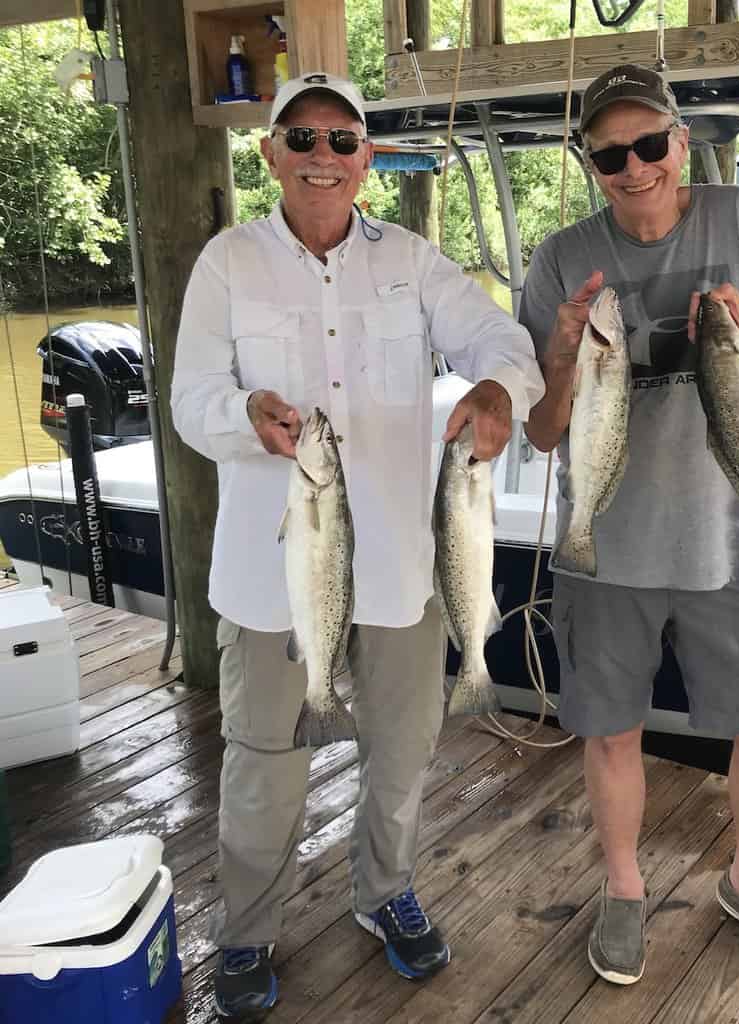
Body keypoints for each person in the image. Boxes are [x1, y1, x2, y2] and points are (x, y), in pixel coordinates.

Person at [172, 71, 544, 1020]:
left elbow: (500, 339)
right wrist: (241, 413)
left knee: (405, 753)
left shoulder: (415, 263)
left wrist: (500, 392)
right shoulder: (227, 263)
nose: (323, 157)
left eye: (343, 141)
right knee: (262, 761)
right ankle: (247, 932)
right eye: (301, 140)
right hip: (271, 580)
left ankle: (384, 893)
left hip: (402, 576)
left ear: (368, 159)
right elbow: (189, 399)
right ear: (271, 156)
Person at [519, 64, 739, 985]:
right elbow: (539, 428)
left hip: (732, 534)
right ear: (590, 162)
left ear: (680, 142)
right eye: (611, 153)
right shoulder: (562, 258)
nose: (634, 165)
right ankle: (621, 890)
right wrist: (566, 352)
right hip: (603, 543)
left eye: (650, 143)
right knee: (611, 731)